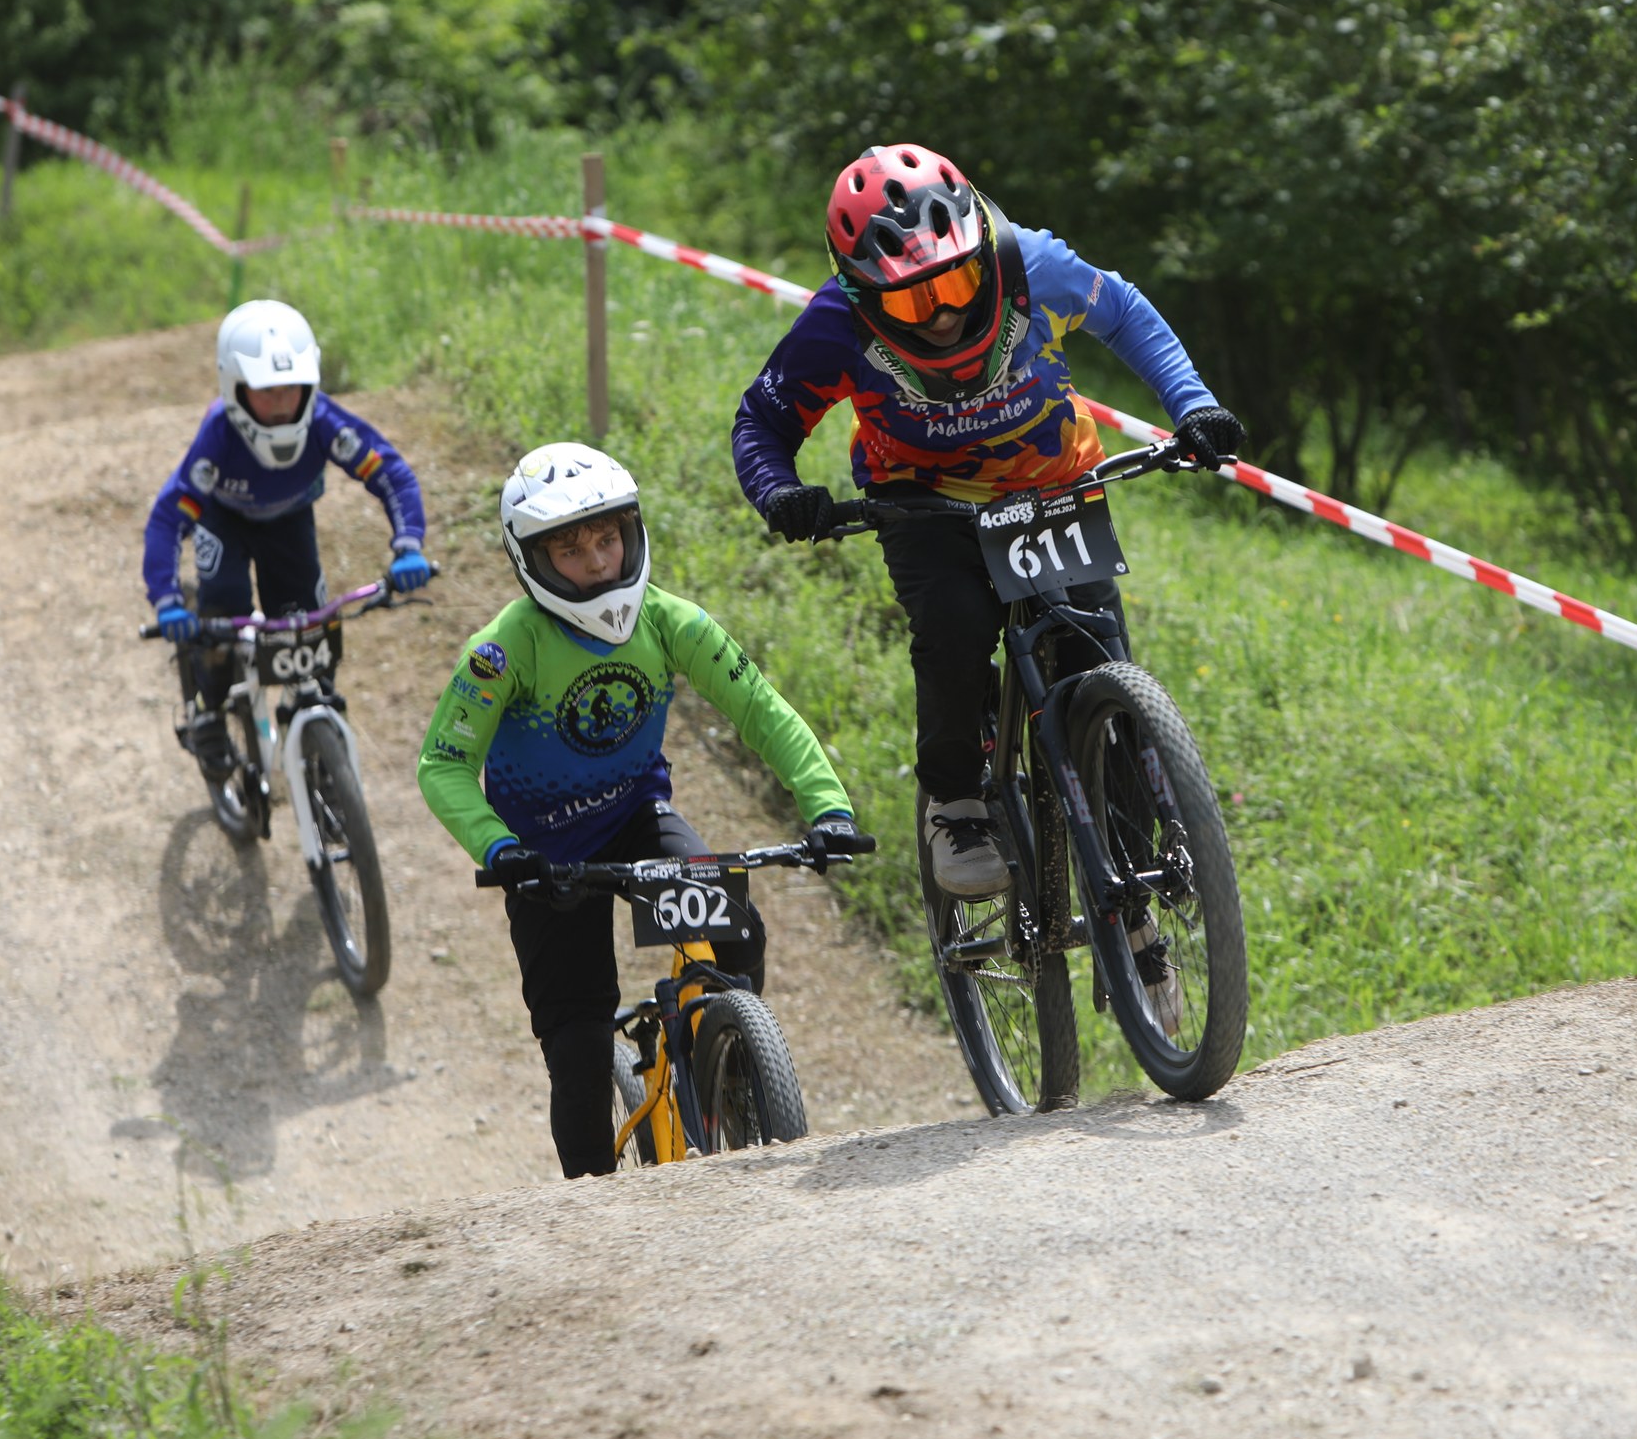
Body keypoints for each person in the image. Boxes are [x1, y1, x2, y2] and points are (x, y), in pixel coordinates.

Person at [731, 142, 1246, 897]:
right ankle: (956, 803)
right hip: (923, 504)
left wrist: (1192, 404)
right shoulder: (837, 325)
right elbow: (762, 421)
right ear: (864, 294)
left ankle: (1137, 881)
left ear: (981, 252)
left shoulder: (1033, 266)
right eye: (913, 302)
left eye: (954, 283)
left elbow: (1126, 313)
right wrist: (779, 491)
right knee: (955, 628)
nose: (941, 314)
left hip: (1054, 487)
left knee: (1096, 661)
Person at [417, 442, 871, 1178]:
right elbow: (443, 764)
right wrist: (499, 849)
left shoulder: (670, 620)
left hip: (636, 817)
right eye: (570, 550)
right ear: (530, 559)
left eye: (607, 538)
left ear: (631, 530)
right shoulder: (502, 649)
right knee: (578, 1046)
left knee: (738, 935)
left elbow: (761, 710)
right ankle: (595, 1205)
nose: (598, 562)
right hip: (543, 856)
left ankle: (727, 1069)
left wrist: (829, 809)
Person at [141, 299, 430, 774]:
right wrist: (167, 598)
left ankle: (317, 725)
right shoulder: (218, 437)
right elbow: (169, 517)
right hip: (223, 520)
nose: (280, 403)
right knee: (222, 612)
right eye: (265, 391)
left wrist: (409, 545)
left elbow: (390, 473)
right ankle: (208, 711)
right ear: (234, 389)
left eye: (290, 389)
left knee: (306, 624)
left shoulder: (324, 421)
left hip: (289, 522)